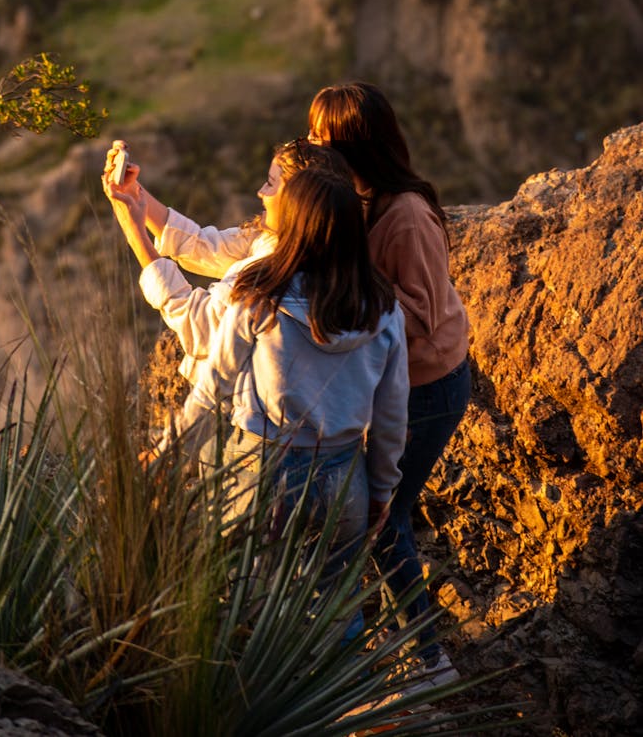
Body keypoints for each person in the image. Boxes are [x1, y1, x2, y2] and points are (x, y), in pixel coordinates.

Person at [103, 160, 410, 640]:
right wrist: (382, 489)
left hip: (263, 470)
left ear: (294, 224)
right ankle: (344, 702)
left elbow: (212, 388)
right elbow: (392, 412)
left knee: (247, 606)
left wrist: (167, 453)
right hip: (345, 473)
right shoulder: (383, 306)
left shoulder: (258, 295)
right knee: (338, 607)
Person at [307, 81, 471, 688]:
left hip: (430, 386)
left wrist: (343, 284)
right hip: (399, 384)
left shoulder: (403, 215)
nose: (314, 146)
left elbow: (423, 313)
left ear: (356, 144)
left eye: (324, 137)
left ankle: (431, 661)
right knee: (375, 517)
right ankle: (403, 643)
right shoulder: (361, 200)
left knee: (384, 522)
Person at [102, 137, 352, 388]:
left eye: (270, 183)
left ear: (297, 203)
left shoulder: (272, 270)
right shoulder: (285, 242)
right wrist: (133, 193)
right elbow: (202, 245)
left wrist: (134, 231)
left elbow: (199, 324)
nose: (261, 192)